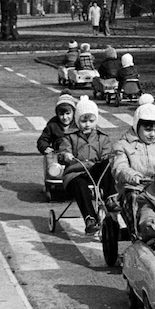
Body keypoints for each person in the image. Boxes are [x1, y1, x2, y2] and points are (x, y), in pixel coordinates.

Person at [58, 95, 115, 234]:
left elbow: (108, 155)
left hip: (96, 172)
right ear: (77, 121)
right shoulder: (70, 137)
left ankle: (110, 198)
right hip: (76, 173)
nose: (87, 124)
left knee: (108, 163)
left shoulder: (103, 138)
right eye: (83, 121)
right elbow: (62, 152)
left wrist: (109, 157)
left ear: (96, 120)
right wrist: (66, 155)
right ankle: (90, 219)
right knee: (80, 186)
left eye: (91, 120)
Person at [111, 94, 155, 217]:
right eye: (148, 130)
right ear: (137, 126)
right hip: (133, 187)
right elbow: (120, 167)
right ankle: (136, 233)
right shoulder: (123, 145)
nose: (153, 134)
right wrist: (134, 177)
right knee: (134, 198)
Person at [37, 91, 76, 178]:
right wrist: (45, 147)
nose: (65, 117)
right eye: (61, 114)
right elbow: (43, 139)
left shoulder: (77, 124)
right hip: (58, 157)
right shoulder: (53, 124)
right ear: (57, 114)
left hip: (75, 156)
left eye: (68, 113)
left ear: (73, 112)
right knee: (51, 166)